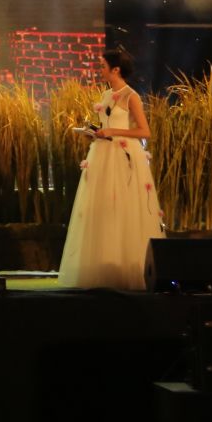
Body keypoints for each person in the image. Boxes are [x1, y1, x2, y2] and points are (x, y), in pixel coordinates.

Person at [57, 48, 161, 291]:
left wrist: (113, 131)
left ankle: (127, 269)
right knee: (102, 209)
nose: (100, 70)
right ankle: (102, 268)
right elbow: (105, 124)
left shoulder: (131, 96)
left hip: (122, 156)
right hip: (103, 154)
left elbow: (144, 131)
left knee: (123, 208)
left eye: (103, 66)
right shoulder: (105, 94)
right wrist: (94, 133)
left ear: (116, 69)